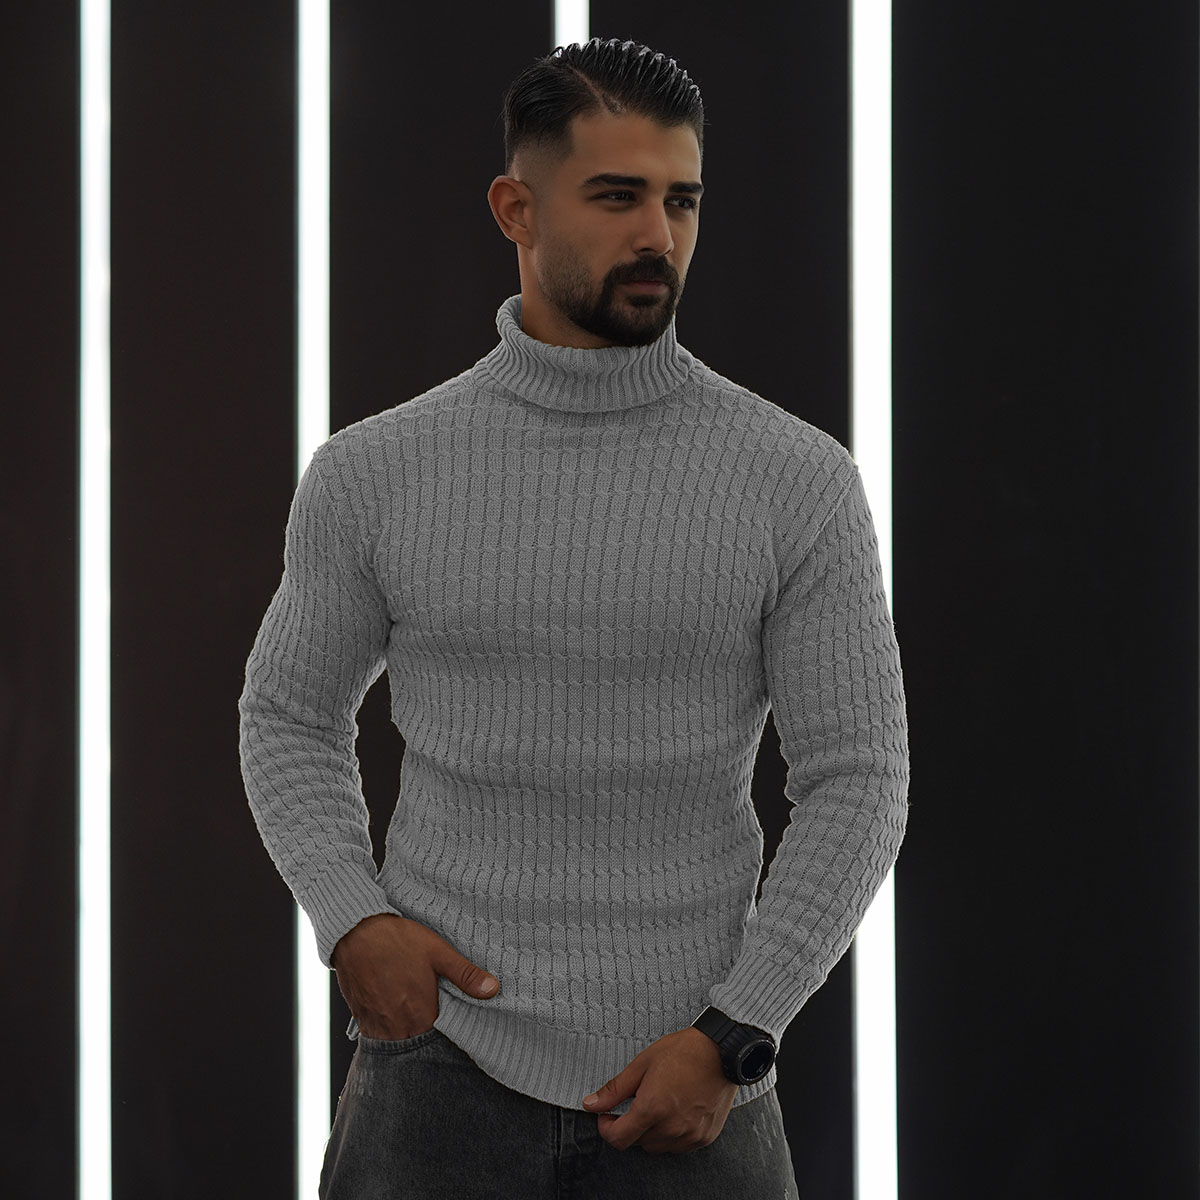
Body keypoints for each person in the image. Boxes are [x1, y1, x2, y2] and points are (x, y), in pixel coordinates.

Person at [238, 35, 909, 1200]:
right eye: (615, 197)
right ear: (517, 208)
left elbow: (860, 776)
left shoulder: (795, 479)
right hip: (435, 1072)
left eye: (681, 200)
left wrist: (737, 1032)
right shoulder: (375, 471)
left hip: (697, 1078)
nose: (658, 235)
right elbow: (287, 715)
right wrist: (352, 923)